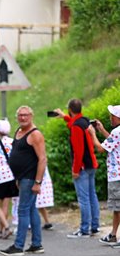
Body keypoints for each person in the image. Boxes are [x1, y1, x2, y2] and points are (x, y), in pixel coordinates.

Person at [0, 106, 47, 256]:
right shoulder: (19, 132)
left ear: (31, 116)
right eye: (20, 115)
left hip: (30, 178)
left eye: (25, 115)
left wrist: (38, 182)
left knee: (22, 210)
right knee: (31, 209)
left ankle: (18, 246)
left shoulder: (35, 134)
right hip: (22, 178)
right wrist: (17, 178)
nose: (23, 118)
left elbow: (42, 159)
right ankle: (36, 244)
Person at [53, 99, 100, 238]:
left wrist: (75, 170)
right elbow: (74, 123)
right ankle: (95, 227)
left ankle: (84, 229)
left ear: (70, 109)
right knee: (92, 196)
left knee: (83, 198)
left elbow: (78, 151)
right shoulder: (85, 121)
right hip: (91, 164)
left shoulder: (76, 127)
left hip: (83, 167)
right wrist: (64, 117)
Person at [91, 105, 120, 247]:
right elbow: (113, 141)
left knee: (117, 207)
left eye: (112, 115)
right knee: (117, 208)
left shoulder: (117, 131)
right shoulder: (117, 132)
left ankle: (114, 235)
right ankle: (113, 235)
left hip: (117, 176)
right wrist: (101, 130)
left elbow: (101, 148)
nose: (110, 118)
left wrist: (92, 134)